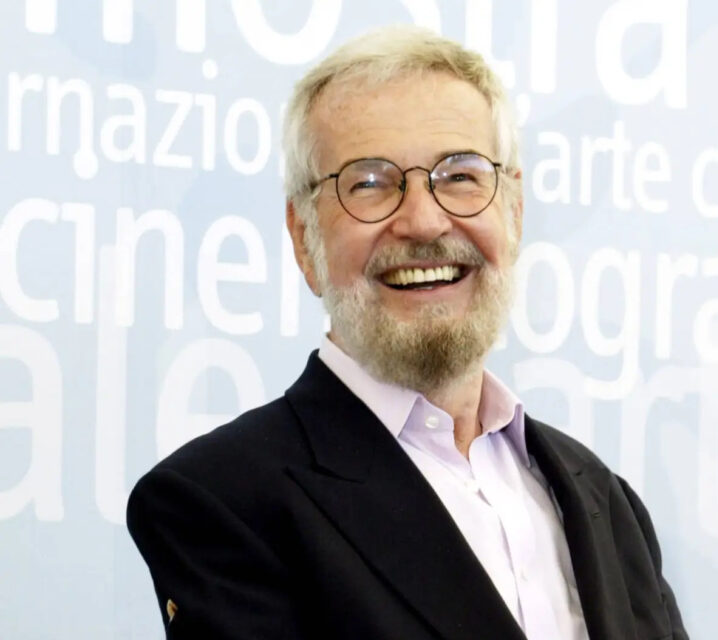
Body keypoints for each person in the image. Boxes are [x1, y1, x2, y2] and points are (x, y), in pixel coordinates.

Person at [127, 26, 687, 640]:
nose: (423, 221)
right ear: (304, 239)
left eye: (461, 176)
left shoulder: (608, 503)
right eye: (369, 183)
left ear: (514, 213)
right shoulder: (222, 502)